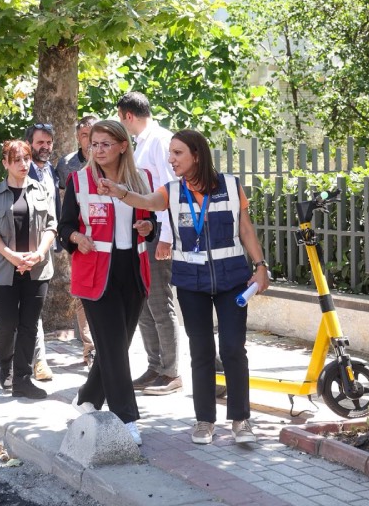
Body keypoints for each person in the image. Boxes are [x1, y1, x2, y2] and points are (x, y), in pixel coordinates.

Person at [104, 129, 271, 446]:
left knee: (234, 349)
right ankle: (204, 421)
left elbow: (246, 230)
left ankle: (240, 420)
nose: (171, 159)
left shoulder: (232, 187)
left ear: (197, 155)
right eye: (170, 153)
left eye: (178, 153)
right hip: (191, 283)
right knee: (202, 351)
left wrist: (261, 267)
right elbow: (147, 201)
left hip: (232, 280)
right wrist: (120, 192)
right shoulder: (171, 191)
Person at [59, 119, 155, 445]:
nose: (97, 150)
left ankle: (87, 397)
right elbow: (64, 227)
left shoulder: (142, 180)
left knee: (115, 347)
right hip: (95, 275)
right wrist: (75, 236)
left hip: (133, 272)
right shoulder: (78, 181)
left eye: (105, 144)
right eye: (93, 144)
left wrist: (148, 229)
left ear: (122, 146)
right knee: (114, 348)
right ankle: (125, 418)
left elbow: (150, 219)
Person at [0, 140, 58, 399]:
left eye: (26, 159)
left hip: (37, 269)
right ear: (5, 163)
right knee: (7, 322)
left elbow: (51, 225)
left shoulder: (40, 190)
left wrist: (38, 254)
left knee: (29, 325)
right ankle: (6, 365)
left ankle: (22, 379)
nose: (23, 164)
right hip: (6, 268)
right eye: (17, 160)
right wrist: (12, 256)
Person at [118, 92, 181, 396]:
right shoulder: (142, 143)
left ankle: (170, 371)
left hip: (158, 233)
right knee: (142, 302)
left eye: (121, 118)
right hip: (143, 232)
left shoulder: (159, 141)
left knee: (158, 301)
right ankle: (154, 365)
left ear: (128, 115)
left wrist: (166, 237)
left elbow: (169, 190)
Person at [55, 115, 98, 368]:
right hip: (78, 237)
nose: (89, 140)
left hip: (107, 238)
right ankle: (89, 348)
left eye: (93, 134)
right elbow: (63, 204)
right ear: (78, 137)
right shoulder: (67, 164)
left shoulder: (112, 161)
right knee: (83, 292)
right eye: (84, 135)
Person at [25, 122, 57, 382]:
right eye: (40, 143)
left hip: (49, 247)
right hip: (27, 249)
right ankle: (38, 360)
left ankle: (28, 356)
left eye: (48, 143)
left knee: (35, 306)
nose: (45, 147)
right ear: (30, 144)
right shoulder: (23, 173)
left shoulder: (52, 172)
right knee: (31, 305)